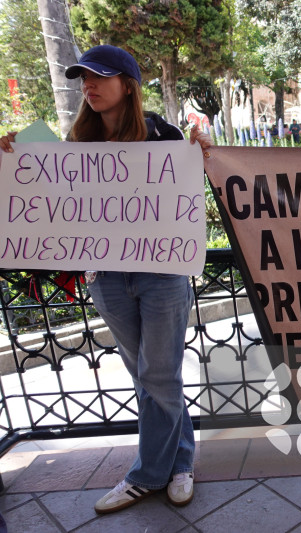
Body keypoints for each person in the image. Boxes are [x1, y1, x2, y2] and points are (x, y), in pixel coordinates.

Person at [1, 44, 212, 514]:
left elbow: (189, 192)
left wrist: (204, 152)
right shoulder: (73, 144)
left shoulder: (164, 135)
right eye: (83, 79)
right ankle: (180, 464)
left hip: (162, 272)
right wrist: (13, 156)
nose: (88, 86)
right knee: (151, 376)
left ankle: (147, 475)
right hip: (108, 277)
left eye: (98, 77)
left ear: (128, 84)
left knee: (158, 375)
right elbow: (53, 201)